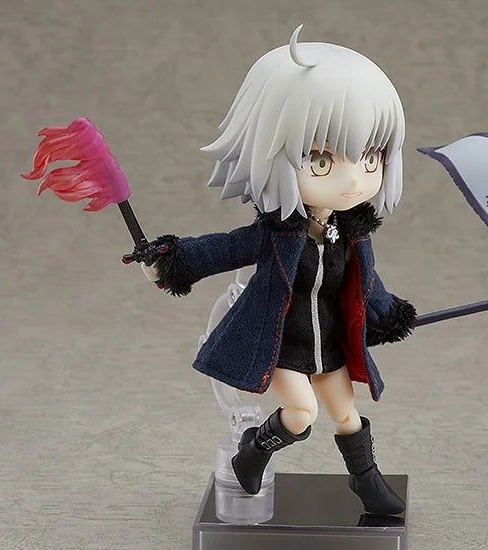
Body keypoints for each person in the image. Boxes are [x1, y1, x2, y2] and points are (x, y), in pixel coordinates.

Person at [130, 25, 414, 515]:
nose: (354, 179)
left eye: (370, 157)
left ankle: (366, 482)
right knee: (301, 414)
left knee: (346, 413)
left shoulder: (351, 235)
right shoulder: (277, 235)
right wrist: (172, 262)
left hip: (328, 345)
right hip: (280, 344)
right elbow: (222, 249)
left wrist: (389, 315)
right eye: (320, 161)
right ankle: (253, 451)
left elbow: (367, 286)